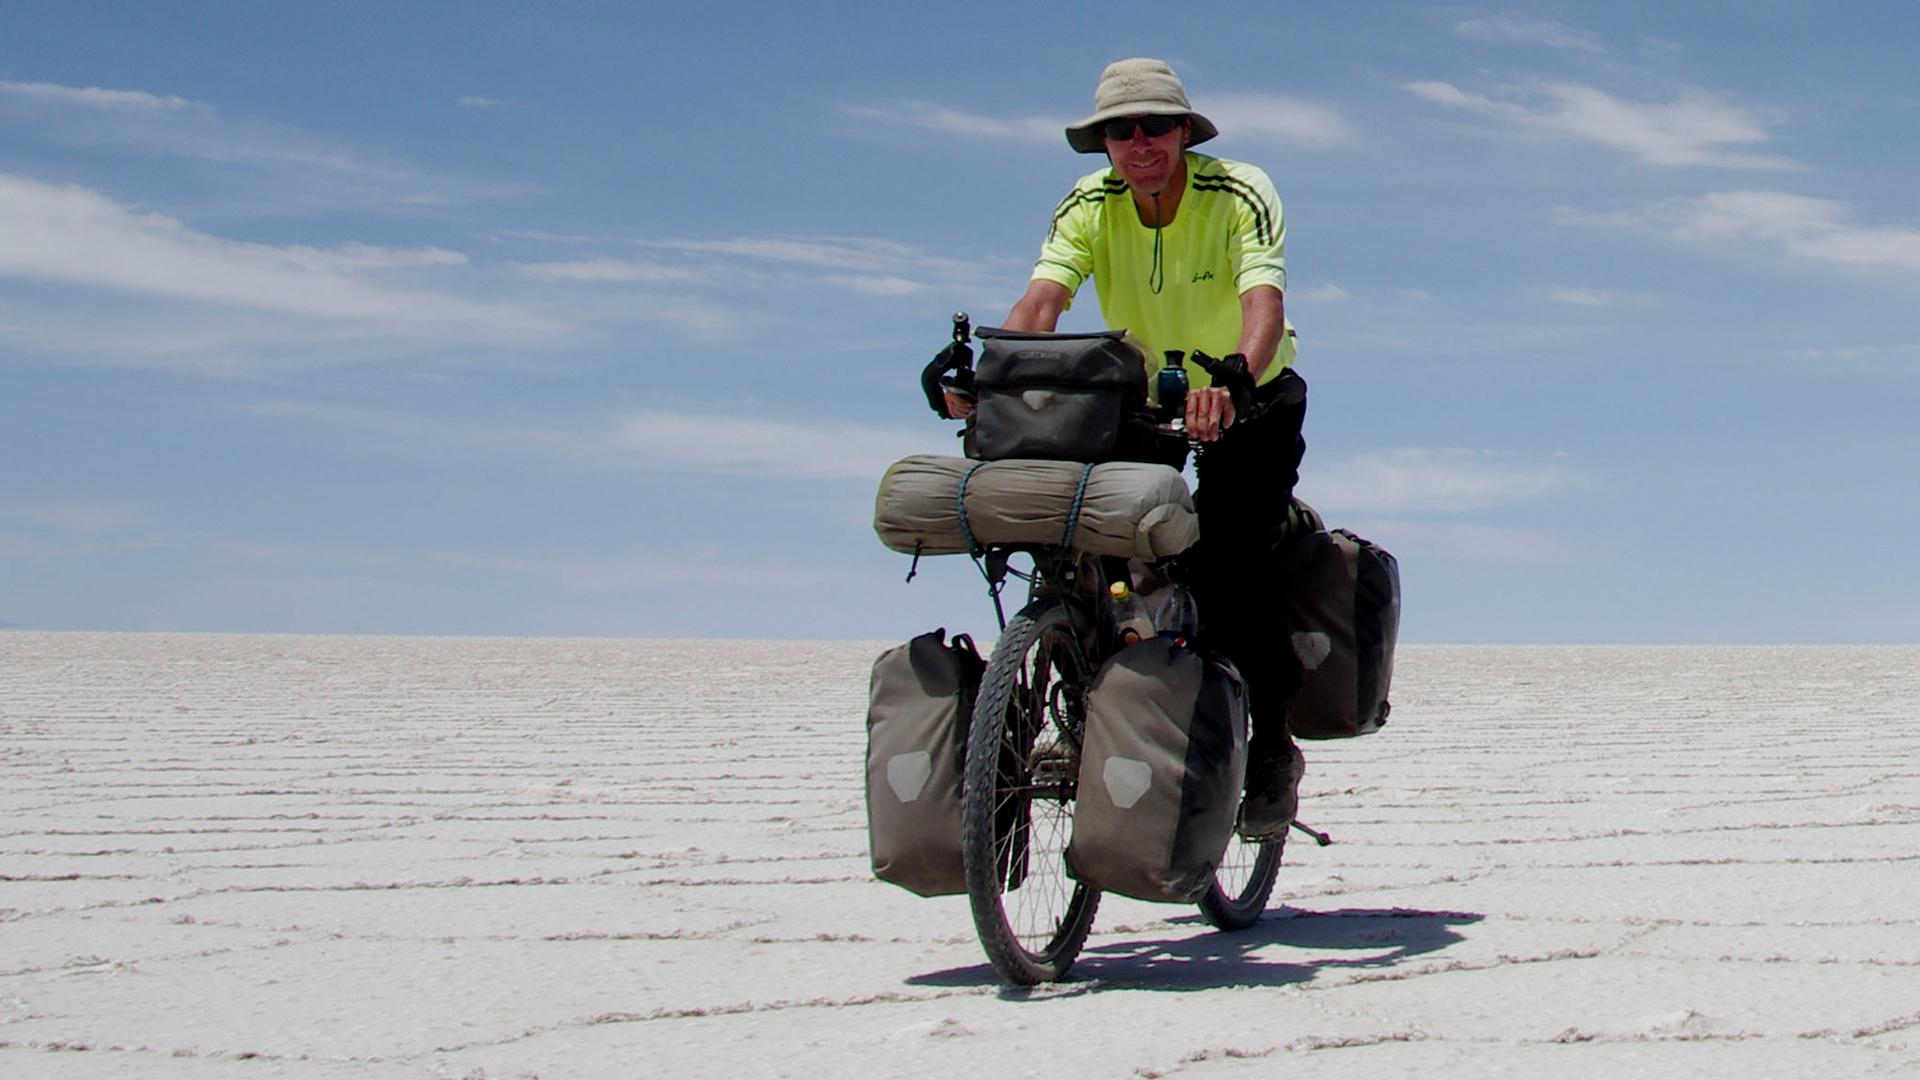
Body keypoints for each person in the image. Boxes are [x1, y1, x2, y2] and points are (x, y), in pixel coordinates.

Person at [946, 57, 1308, 840]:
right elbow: (1043, 299)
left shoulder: (1238, 189)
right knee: (1089, 538)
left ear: (1184, 131)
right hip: (1142, 399)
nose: (1138, 142)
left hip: (1250, 395)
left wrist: (1237, 380)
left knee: (1233, 560)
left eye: (1154, 126)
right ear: (1102, 142)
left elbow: (1263, 301)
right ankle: (1091, 683)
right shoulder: (1089, 202)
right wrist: (995, 374)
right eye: (1120, 130)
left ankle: (1273, 751)